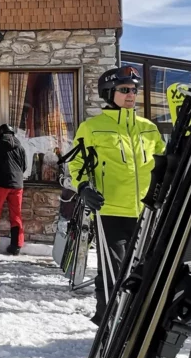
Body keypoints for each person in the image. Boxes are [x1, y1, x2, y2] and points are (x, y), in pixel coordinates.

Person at [68, 65, 165, 326]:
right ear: (110, 92)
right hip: (110, 210)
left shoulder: (148, 128)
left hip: (147, 211)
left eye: (134, 89)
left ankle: (137, 320)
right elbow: (76, 164)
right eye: (124, 90)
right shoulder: (92, 128)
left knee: (146, 268)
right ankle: (108, 317)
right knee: (114, 270)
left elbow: (164, 165)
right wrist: (84, 188)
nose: (131, 94)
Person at [0, 124, 27, 255]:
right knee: (16, 215)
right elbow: (24, 166)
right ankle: (16, 245)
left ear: (0, 134)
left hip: (1, 183)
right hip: (18, 185)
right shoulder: (20, 147)